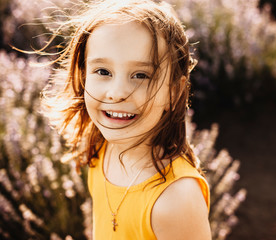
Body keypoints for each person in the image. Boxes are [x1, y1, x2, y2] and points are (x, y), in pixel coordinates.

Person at [40, 0, 211, 239]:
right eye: (103, 71)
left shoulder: (175, 199)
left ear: (174, 91)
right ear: (83, 76)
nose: (117, 92)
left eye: (141, 75)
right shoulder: (100, 146)